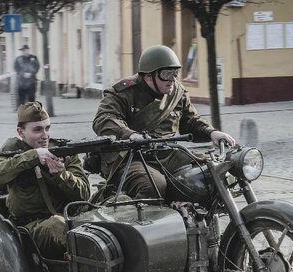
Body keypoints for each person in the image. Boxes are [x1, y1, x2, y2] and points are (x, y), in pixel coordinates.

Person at [92, 44, 235, 199]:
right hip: (129, 157)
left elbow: (190, 121)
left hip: (165, 153)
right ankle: (142, 220)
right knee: (154, 184)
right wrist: (130, 135)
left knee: (213, 170)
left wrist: (212, 133)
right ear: (148, 76)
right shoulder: (124, 92)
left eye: (175, 73)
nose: (172, 80)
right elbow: (104, 118)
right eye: (166, 74)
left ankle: (200, 217)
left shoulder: (177, 93)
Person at [0, 101, 90, 259]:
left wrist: (62, 175)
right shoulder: (12, 152)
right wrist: (32, 157)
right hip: (33, 226)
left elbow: (84, 195)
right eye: (37, 130)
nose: (45, 135)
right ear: (21, 132)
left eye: (47, 128)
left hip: (69, 214)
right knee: (57, 225)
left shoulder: (63, 151)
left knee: (117, 205)